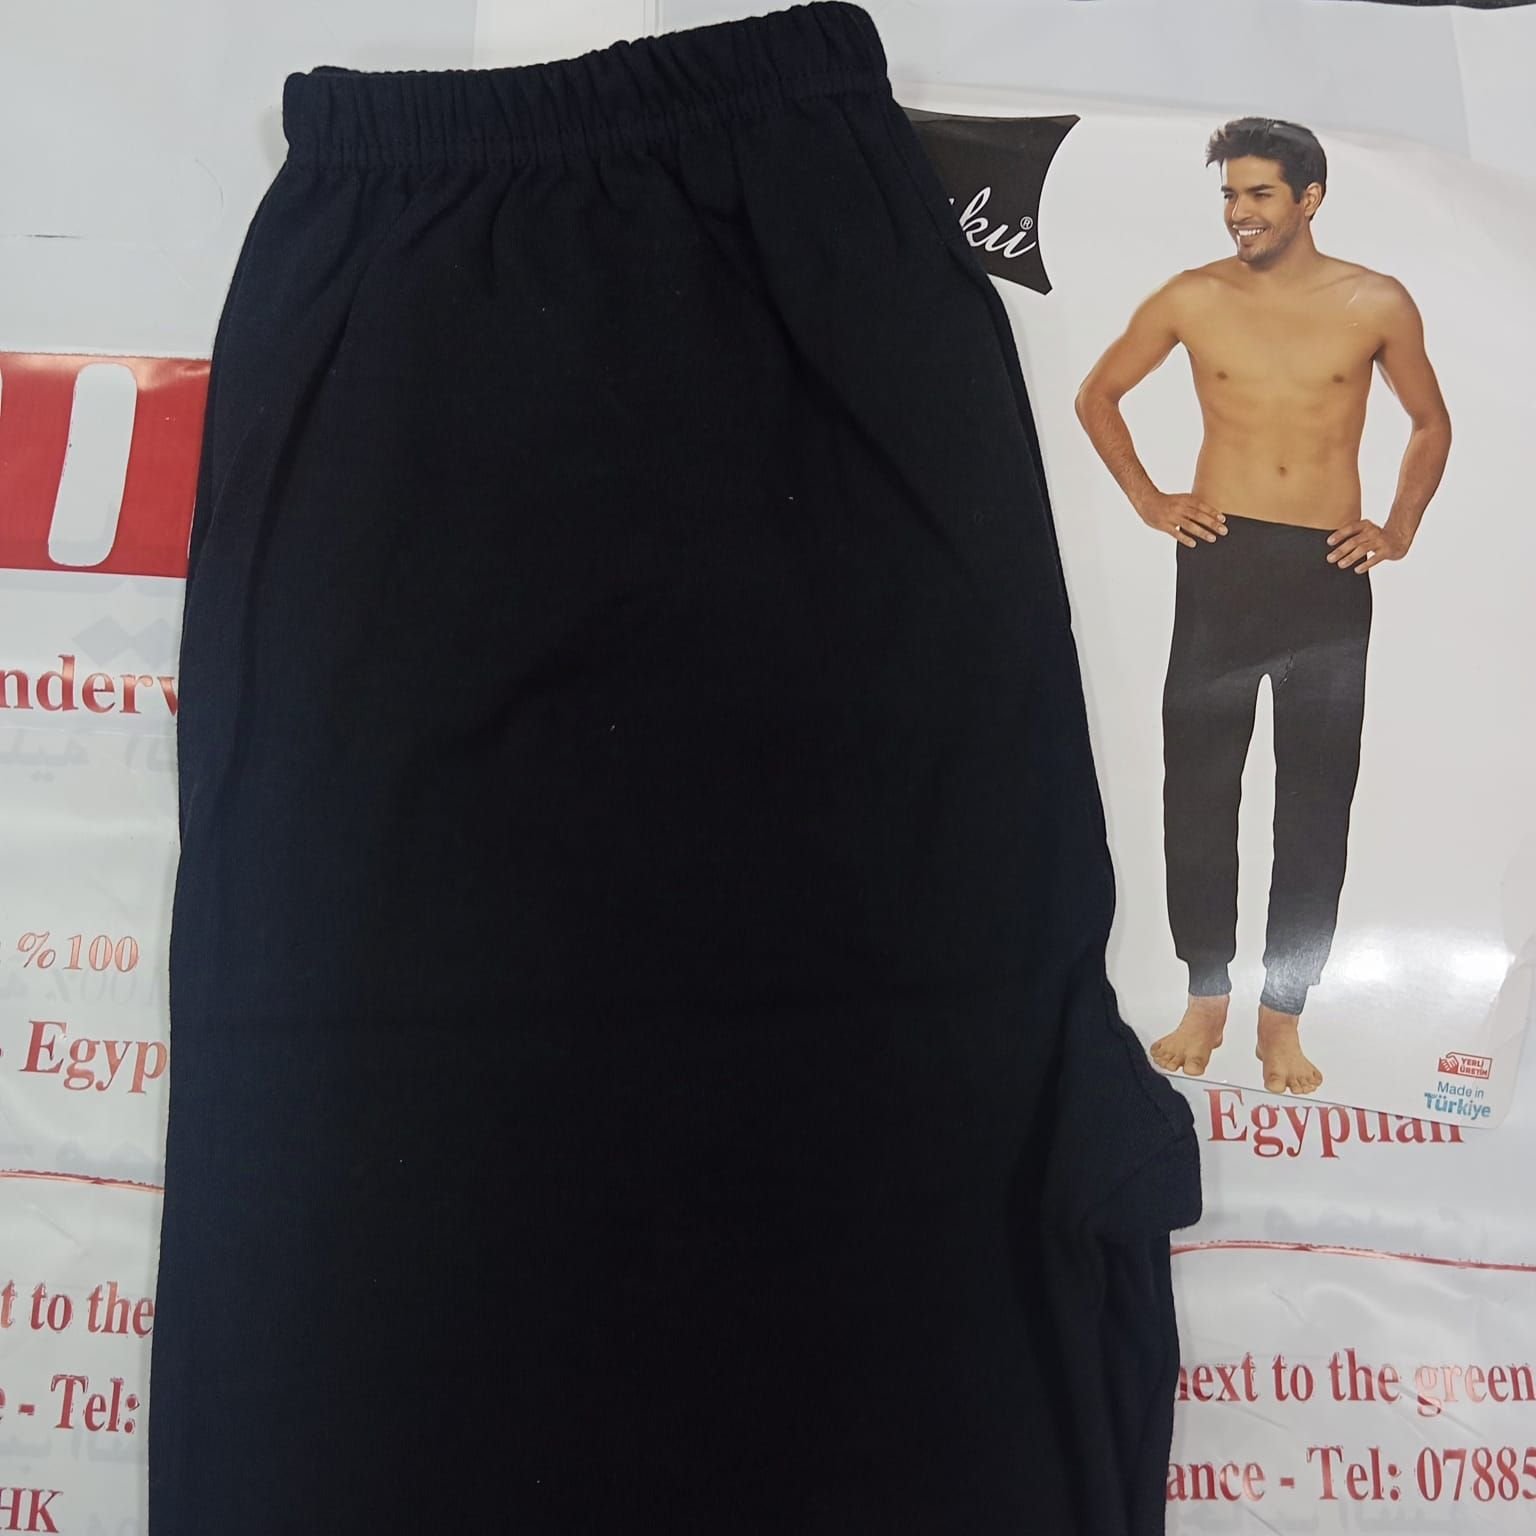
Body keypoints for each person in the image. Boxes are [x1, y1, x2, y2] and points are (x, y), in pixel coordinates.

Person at [1073, 117, 1451, 1094]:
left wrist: (1398, 527)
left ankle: (1283, 1016)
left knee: (1316, 800)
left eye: (1259, 194)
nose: (1238, 213)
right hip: (1222, 561)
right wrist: (1150, 499)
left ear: (1309, 198)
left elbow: (1429, 422)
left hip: (1327, 569)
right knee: (1199, 790)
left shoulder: (1375, 300)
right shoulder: (1192, 296)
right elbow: (1098, 395)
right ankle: (1206, 999)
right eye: (1230, 195)